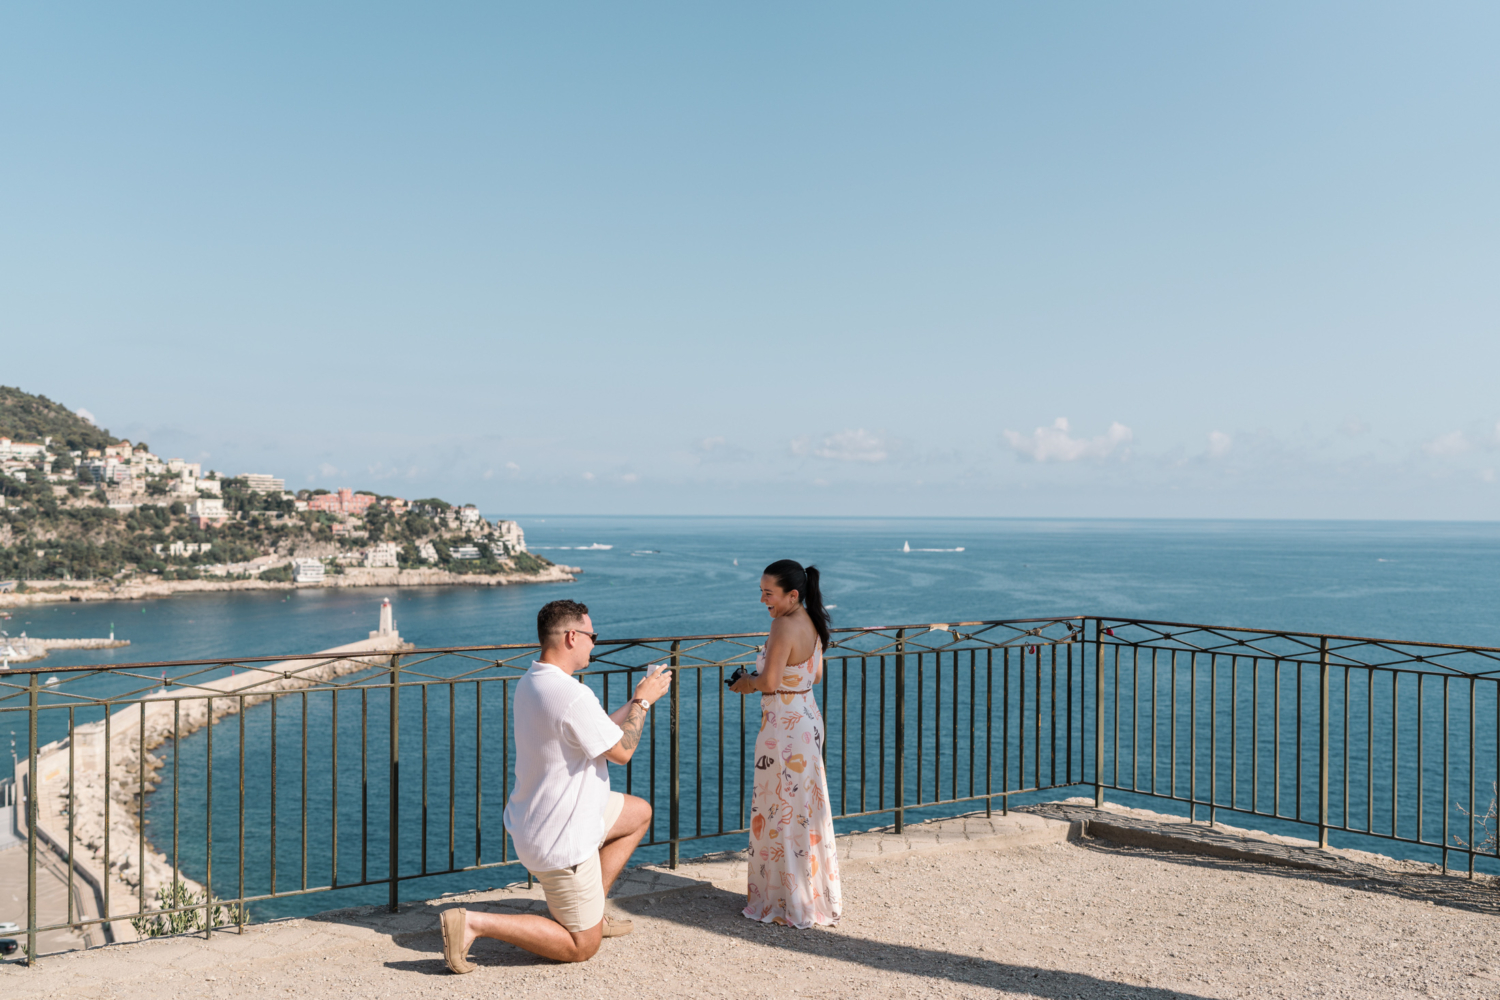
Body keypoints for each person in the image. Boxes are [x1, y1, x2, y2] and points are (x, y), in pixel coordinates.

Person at [439, 600, 671, 971]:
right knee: (581, 947)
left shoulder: (534, 680)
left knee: (638, 813)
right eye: (592, 636)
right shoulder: (572, 694)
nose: (595, 644)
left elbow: (599, 733)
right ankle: (473, 923)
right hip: (562, 838)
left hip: (540, 819)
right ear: (572, 636)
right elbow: (622, 752)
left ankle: (591, 907)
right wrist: (643, 703)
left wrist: (634, 699)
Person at [728, 559, 842, 927]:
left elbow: (770, 681)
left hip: (783, 727)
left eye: (768, 593)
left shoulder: (782, 625)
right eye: (761, 591)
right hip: (807, 718)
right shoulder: (812, 621)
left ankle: (785, 902)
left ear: (791, 594)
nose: (763, 599)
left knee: (779, 807)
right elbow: (816, 675)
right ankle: (809, 896)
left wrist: (745, 681)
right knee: (804, 808)